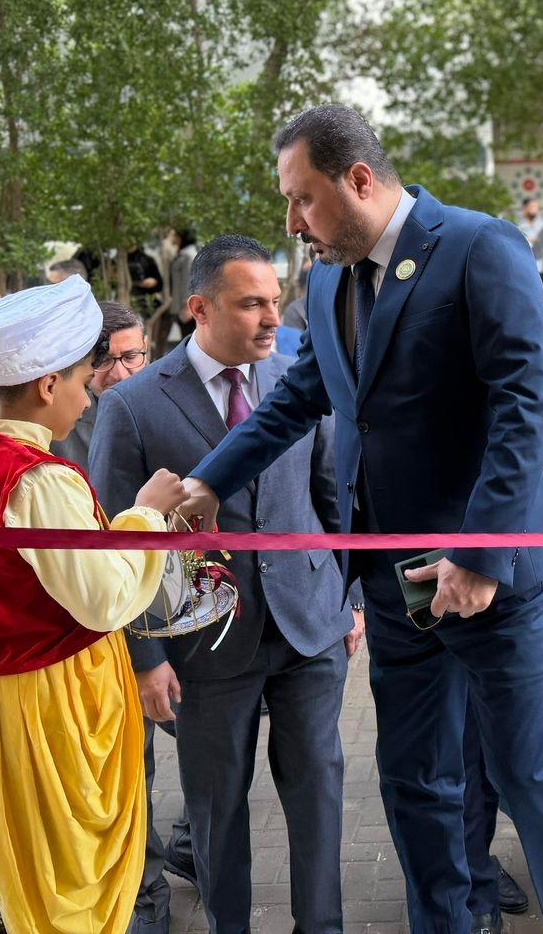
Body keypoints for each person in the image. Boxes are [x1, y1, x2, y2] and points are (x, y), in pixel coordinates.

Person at [177, 106, 543, 934]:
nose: (293, 222)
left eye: (302, 198)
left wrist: (479, 553)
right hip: (397, 585)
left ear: (360, 180)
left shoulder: (481, 248)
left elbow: (523, 406)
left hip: (495, 580)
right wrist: (207, 482)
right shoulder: (329, 279)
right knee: (415, 783)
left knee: (534, 779)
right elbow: (299, 399)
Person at [90, 235, 358, 934]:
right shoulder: (134, 406)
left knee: (319, 791)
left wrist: (349, 597)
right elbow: (118, 549)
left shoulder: (301, 377)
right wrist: (146, 659)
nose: (271, 318)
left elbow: (331, 493)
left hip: (308, 626)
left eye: (274, 301)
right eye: (250, 305)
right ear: (200, 309)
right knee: (216, 808)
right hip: (202, 644)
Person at [0, 275, 183, 934]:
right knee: (74, 876)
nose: (88, 397)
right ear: (47, 385)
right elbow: (104, 599)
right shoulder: (41, 480)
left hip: (12, 693)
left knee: (38, 864)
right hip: (59, 699)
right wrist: (147, 515)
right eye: (81, 381)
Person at [50, 301, 149, 470]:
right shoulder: (56, 425)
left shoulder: (175, 405)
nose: (119, 375)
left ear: (145, 347)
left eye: (130, 357)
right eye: (104, 360)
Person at [517, 196, 543, 277]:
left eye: (536, 207)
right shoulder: (518, 226)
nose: (535, 209)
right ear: (525, 208)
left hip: (542, 267)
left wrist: (535, 240)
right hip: (524, 267)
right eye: (532, 206)